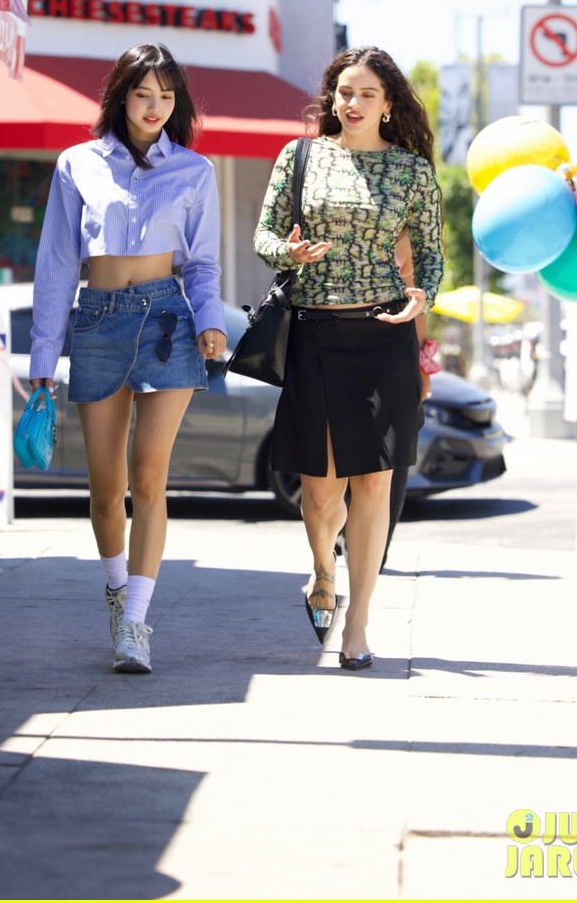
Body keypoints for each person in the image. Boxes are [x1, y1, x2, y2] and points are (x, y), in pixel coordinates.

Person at [29, 43, 227, 675]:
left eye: (167, 97)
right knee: (105, 491)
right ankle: (117, 592)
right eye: (144, 94)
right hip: (98, 321)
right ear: (121, 96)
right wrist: (42, 357)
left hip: (169, 320)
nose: (155, 107)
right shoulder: (77, 164)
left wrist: (213, 323)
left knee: (149, 477)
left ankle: (136, 622)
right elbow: (58, 265)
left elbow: (202, 264)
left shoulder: (195, 170)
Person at [254, 45, 443, 670]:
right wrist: (290, 253)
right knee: (320, 489)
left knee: (375, 482)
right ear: (331, 98)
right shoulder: (300, 156)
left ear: (389, 104)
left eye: (366, 93)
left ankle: (357, 623)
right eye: (344, 91)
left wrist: (422, 297)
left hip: (384, 336)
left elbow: (434, 259)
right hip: (314, 331)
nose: (352, 103)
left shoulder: (412, 172)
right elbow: (263, 237)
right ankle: (320, 570)